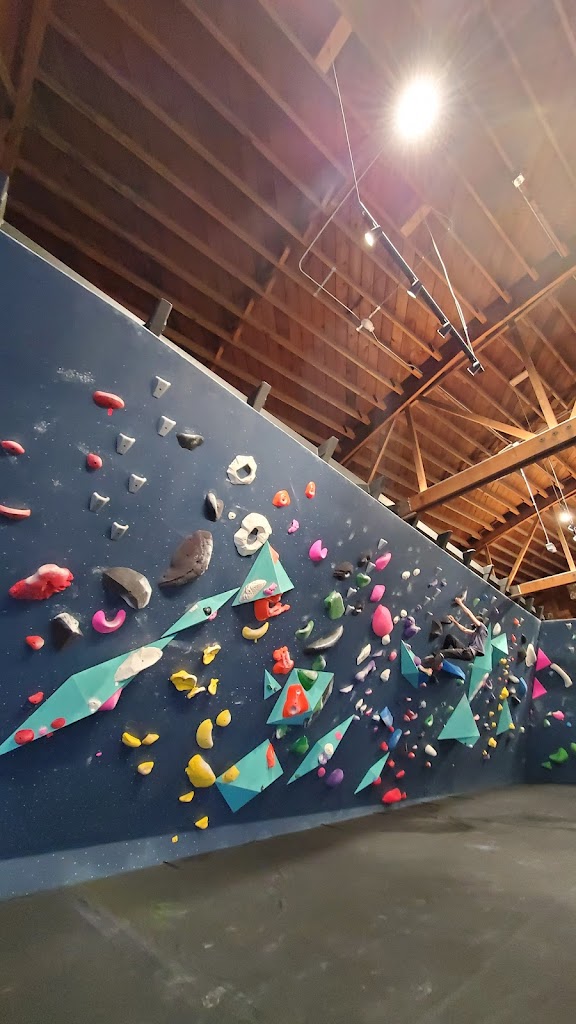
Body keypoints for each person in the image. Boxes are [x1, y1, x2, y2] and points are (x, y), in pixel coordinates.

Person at [422, 596, 488, 673]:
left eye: (474, 623)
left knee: (441, 653)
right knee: (450, 638)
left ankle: (430, 670)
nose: (472, 624)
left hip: (468, 652)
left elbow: (469, 614)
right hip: (467, 651)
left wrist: (460, 603)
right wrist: (454, 621)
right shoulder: (478, 632)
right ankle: (439, 656)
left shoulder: (481, 627)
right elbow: (464, 629)